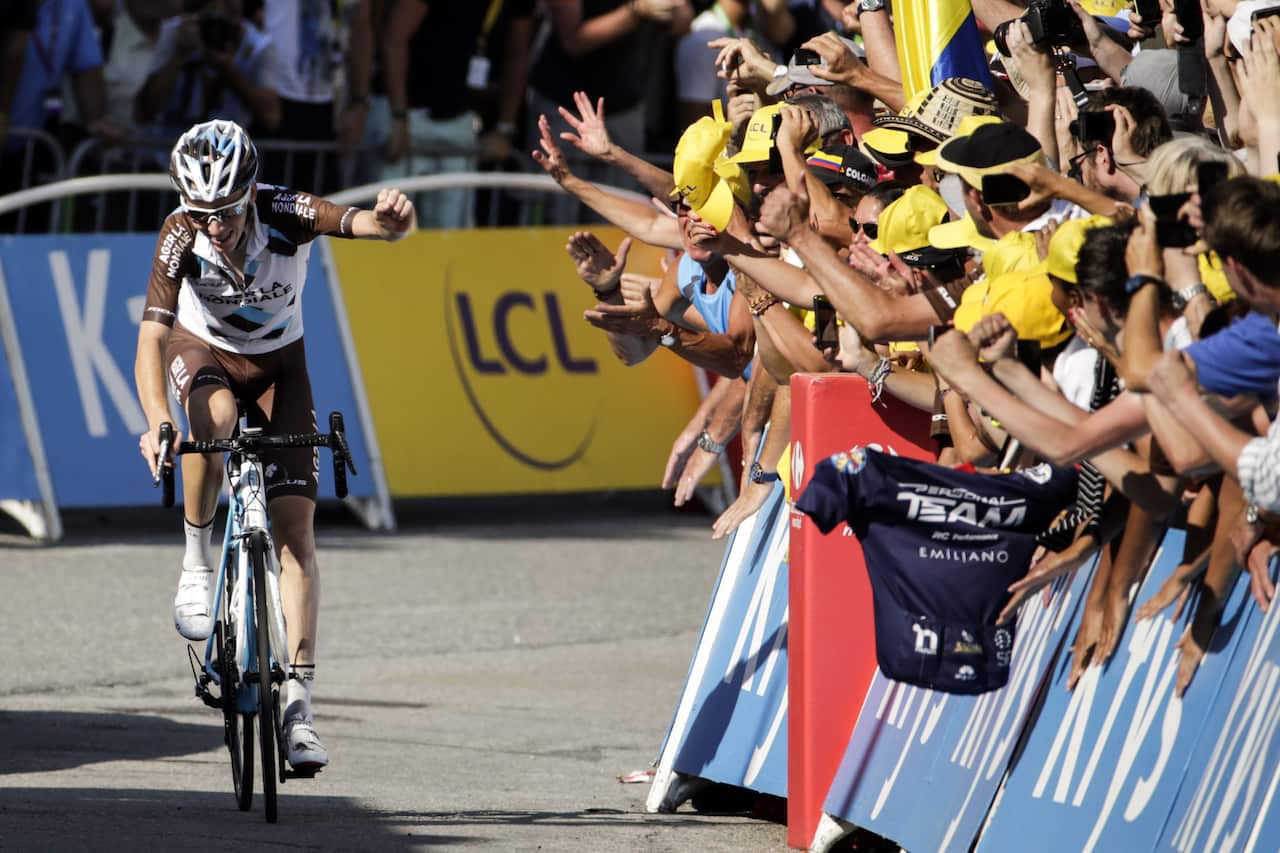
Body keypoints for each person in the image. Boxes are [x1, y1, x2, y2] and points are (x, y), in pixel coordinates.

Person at [133, 119, 415, 771]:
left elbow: (358, 223)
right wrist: (156, 419)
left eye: (227, 211)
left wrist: (391, 224)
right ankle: (196, 560)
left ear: (251, 193)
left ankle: (299, 709)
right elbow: (152, 336)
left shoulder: (285, 210)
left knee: (296, 535)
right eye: (201, 212)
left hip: (281, 366)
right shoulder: (180, 234)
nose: (214, 226)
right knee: (215, 417)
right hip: (204, 352)